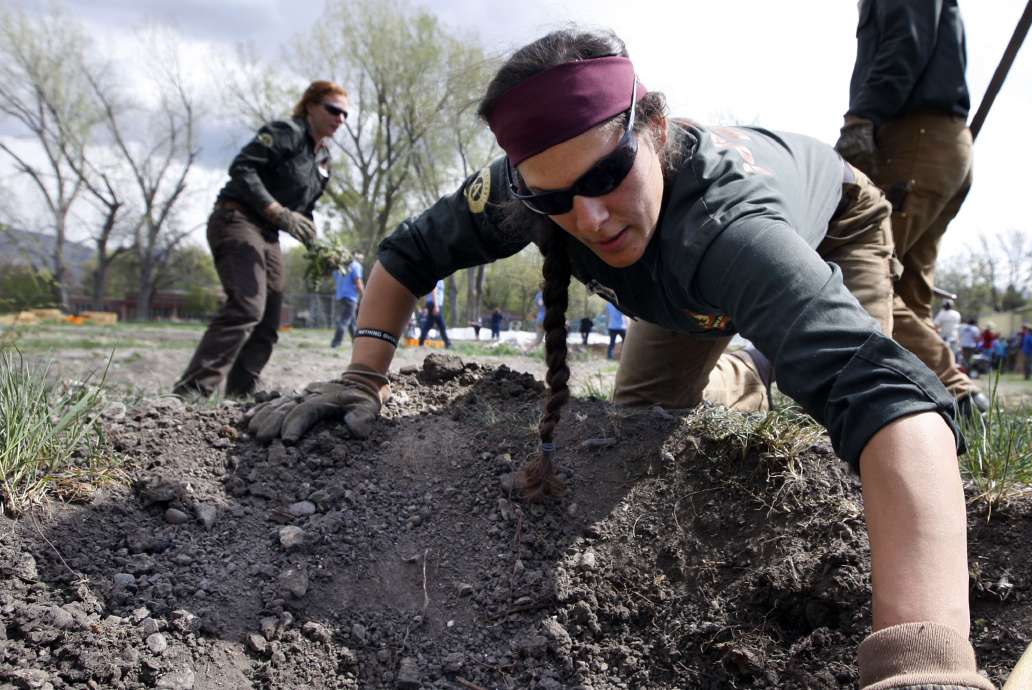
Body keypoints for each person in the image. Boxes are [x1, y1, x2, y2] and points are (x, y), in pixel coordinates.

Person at [247, 29, 992, 689]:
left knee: (834, 409)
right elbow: (407, 253)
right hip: (683, 283)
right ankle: (754, 367)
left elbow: (887, 398)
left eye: (607, 176)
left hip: (833, 223)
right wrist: (361, 377)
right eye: (557, 199)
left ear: (656, 130)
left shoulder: (733, 233)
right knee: (644, 424)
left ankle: (775, 359)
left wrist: (926, 662)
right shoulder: (523, 189)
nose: (591, 218)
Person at [835, 0, 987, 416]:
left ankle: (952, 389)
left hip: (913, 138)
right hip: (941, 141)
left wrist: (862, 115)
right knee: (908, 288)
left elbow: (906, 41)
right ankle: (930, 406)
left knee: (864, 271)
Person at [173, 81, 347, 397]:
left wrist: (320, 249)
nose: (340, 119)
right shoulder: (286, 133)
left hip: (268, 235)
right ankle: (192, 390)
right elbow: (242, 168)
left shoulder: (321, 161)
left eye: (345, 114)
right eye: (333, 110)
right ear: (310, 106)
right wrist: (277, 211)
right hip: (236, 219)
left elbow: (304, 211)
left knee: (269, 318)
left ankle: (241, 391)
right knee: (247, 305)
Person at [331, 252, 365, 348]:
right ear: (356, 257)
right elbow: (358, 282)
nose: (361, 260)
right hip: (350, 297)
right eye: (360, 258)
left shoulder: (340, 267)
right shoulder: (356, 266)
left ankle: (357, 342)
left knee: (352, 322)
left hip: (341, 296)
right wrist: (364, 296)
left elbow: (335, 278)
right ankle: (336, 343)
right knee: (344, 321)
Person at [417, 279, 451, 348]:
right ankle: (448, 343)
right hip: (435, 303)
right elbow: (434, 290)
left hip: (433, 303)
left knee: (429, 323)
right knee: (441, 325)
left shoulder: (439, 278)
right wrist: (436, 305)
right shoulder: (438, 277)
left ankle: (421, 342)